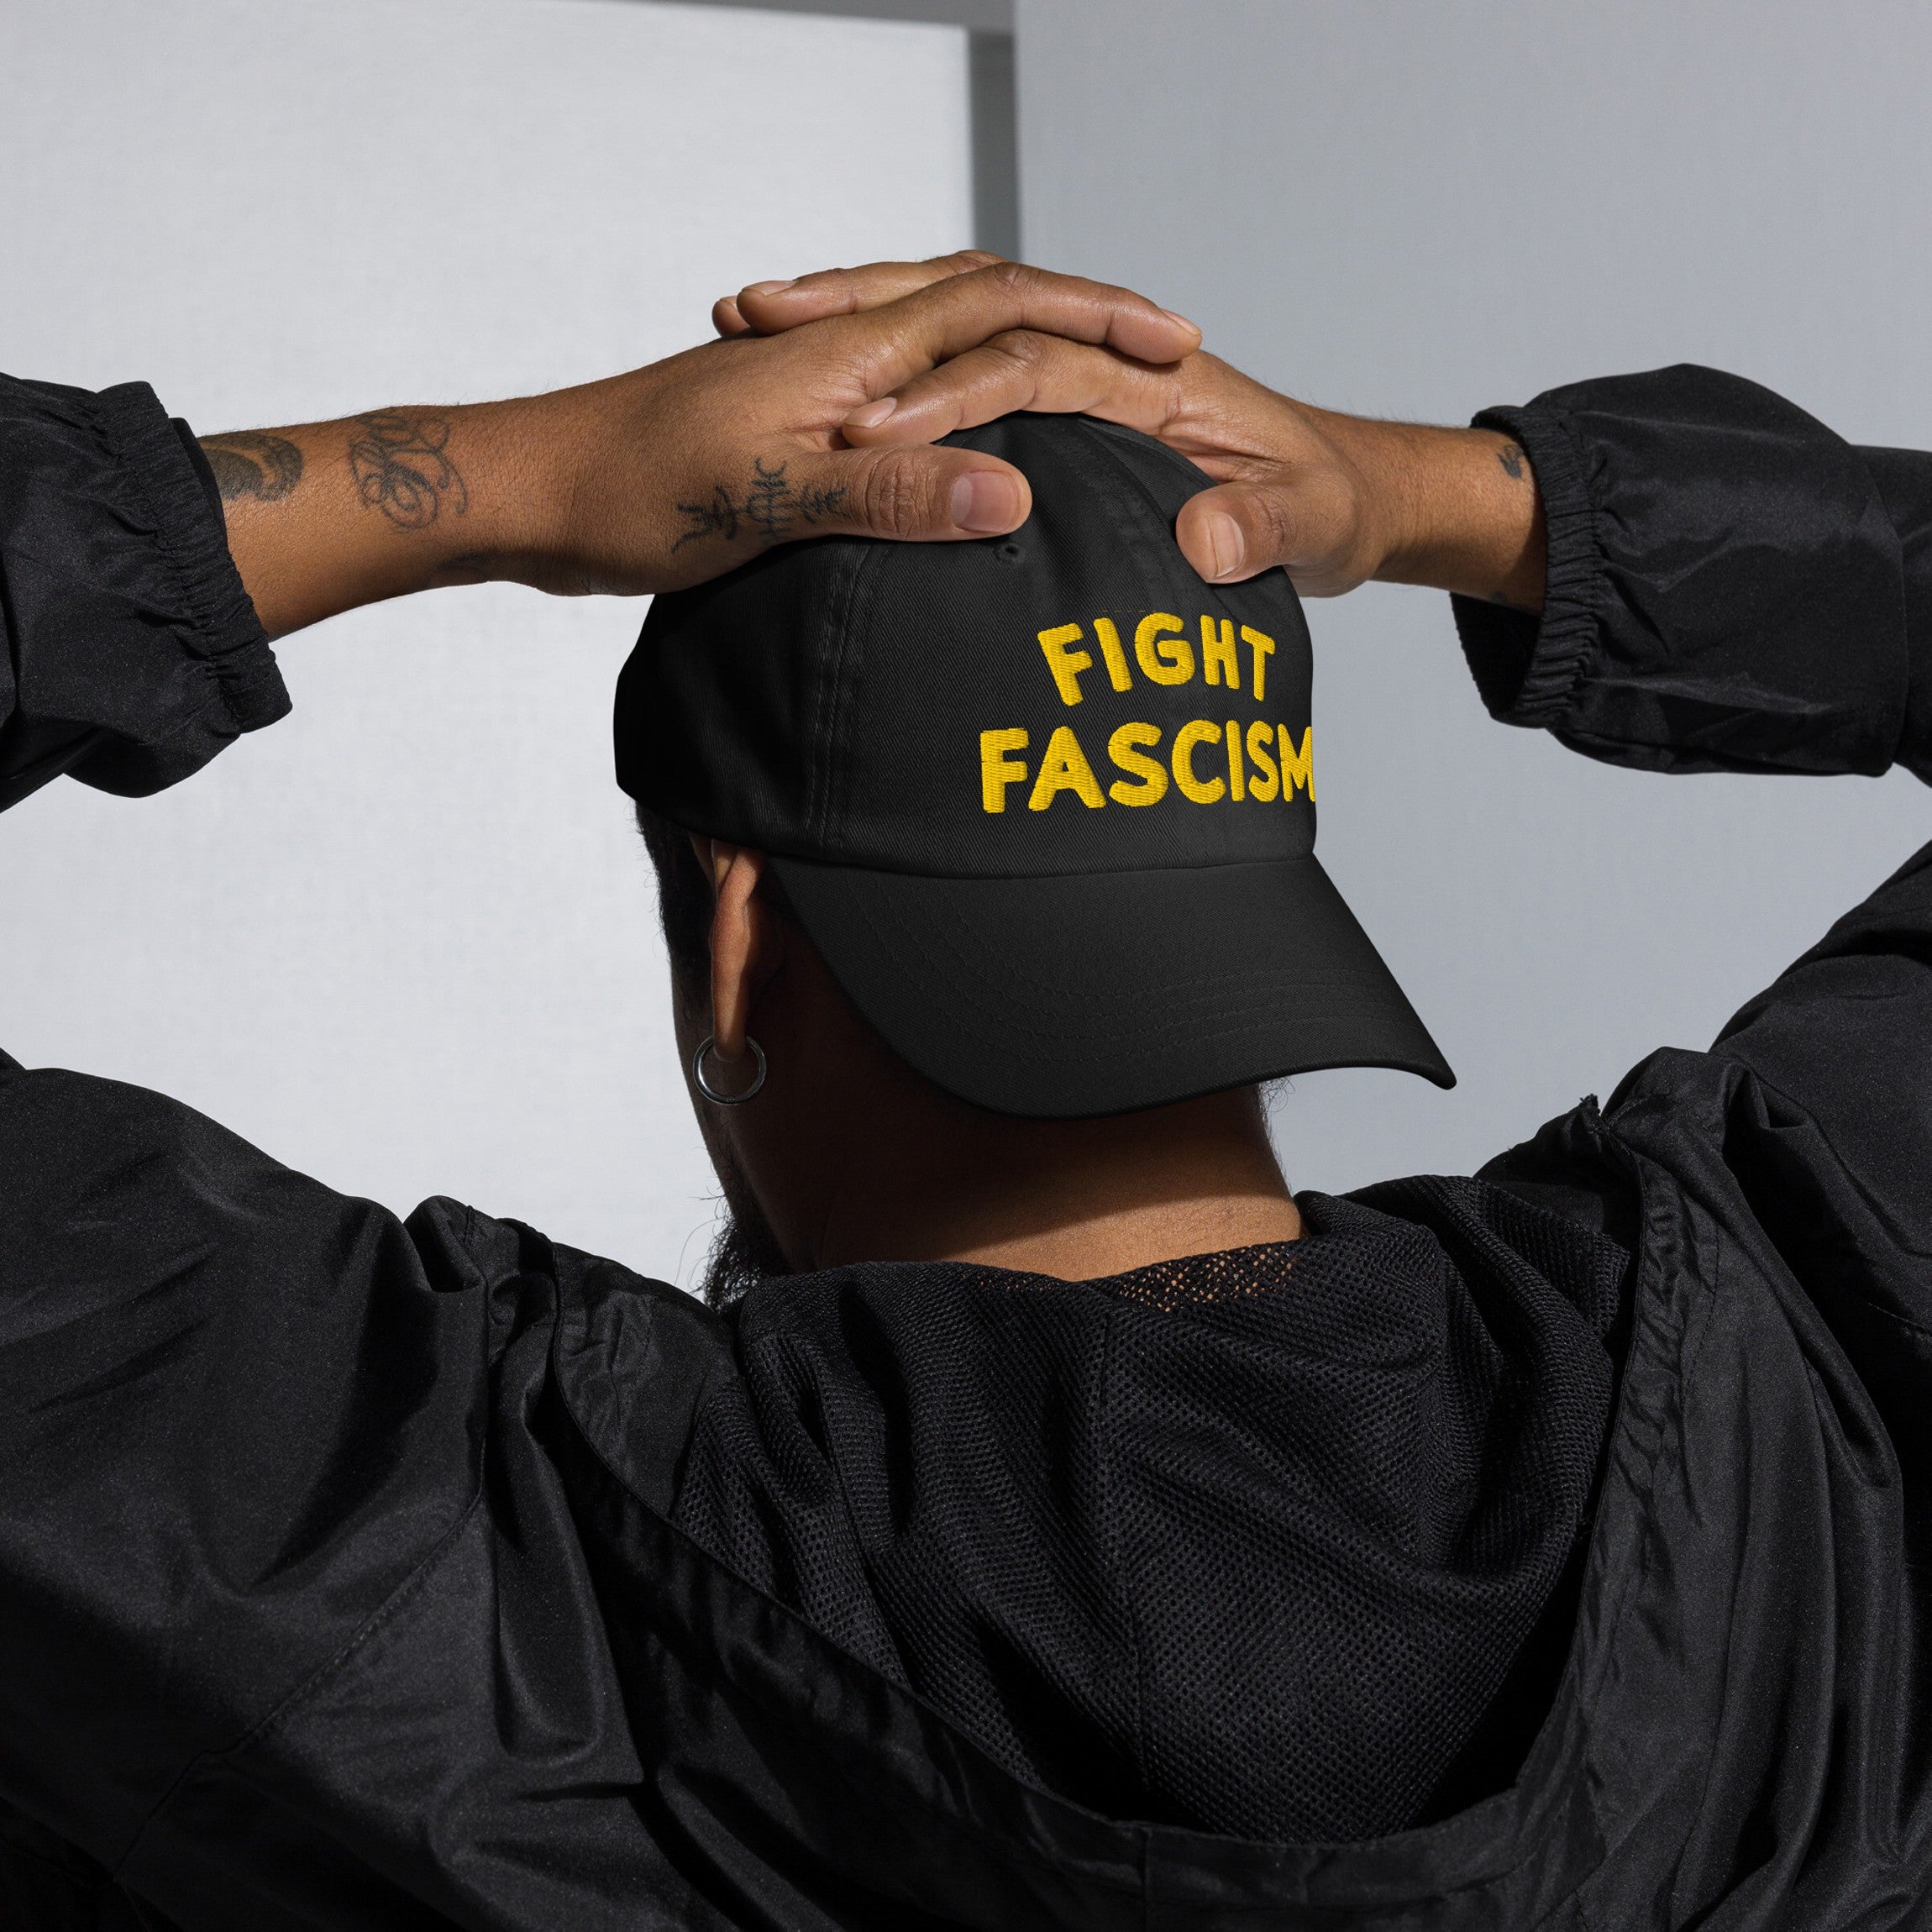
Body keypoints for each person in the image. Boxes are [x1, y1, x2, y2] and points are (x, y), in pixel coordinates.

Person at [0, 251, 1927, 1928]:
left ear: (734, 937)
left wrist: (491, 483)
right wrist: (1436, 499)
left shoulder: (407, 1550)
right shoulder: (1806, 1371)